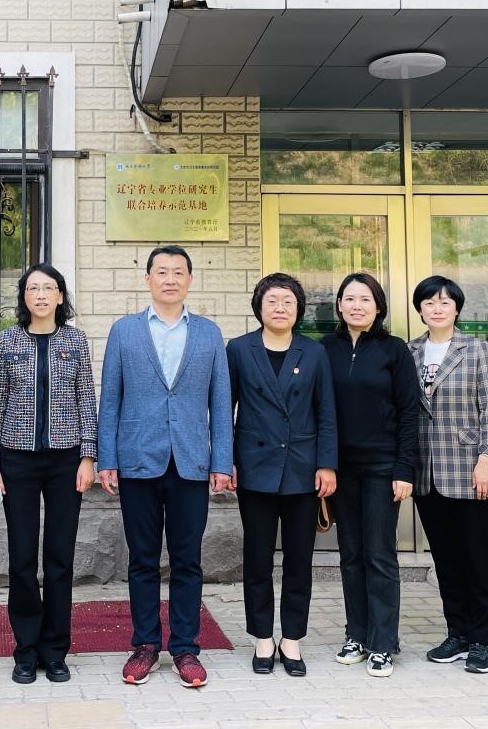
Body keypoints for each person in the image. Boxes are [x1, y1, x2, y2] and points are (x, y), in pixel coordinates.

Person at [98, 245, 233, 689]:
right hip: (137, 459)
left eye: (178, 272)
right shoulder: (124, 331)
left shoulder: (209, 333)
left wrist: (222, 460)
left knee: (187, 560)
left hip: (191, 461)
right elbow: (110, 399)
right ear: (148, 279)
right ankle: (145, 645)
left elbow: (220, 402)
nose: (170, 279)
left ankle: (186, 648)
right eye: (161, 271)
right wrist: (107, 458)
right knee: (142, 559)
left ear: (190, 280)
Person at [0, 264, 97, 685]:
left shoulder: (75, 341)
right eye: (34, 288)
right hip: (18, 461)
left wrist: (88, 456)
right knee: (23, 559)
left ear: (61, 296)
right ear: (24, 296)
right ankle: (26, 650)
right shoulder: (6, 341)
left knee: (60, 559)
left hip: (66, 462)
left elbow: (86, 399)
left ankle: (56, 650)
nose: (42, 294)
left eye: (49, 288)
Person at [227, 272, 337, 678]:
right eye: (272, 300)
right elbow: (224, 407)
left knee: (299, 560)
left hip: (303, 469)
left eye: (287, 301)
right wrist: (225, 460)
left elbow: (326, 411)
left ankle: (292, 639)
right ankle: (262, 637)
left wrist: (327, 464)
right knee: (257, 558)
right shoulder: (239, 349)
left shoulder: (314, 352)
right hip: (254, 468)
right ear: (259, 307)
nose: (279, 308)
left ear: (298, 309)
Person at [321, 273, 419, 678]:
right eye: (350, 298)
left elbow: (410, 412)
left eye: (366, 299)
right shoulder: (324, 349)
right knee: (350, 554)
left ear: (378, 307)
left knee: (379, 554)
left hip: (382, 467)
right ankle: (356, 635)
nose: (357, 305)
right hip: (341, 469)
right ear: (339, 306)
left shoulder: (394, 350)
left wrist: (404, 468)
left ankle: (383, 642)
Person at [408, 275, 488, 674]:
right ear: (420, 309)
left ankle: (481, 640)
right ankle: (457, 634)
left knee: (478, 560)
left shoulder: (476, 349)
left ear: (457, 309)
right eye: (429, 302)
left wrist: (487, 459)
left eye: (445, 302)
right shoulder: (410, 351)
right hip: (427, 473)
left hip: (471, 470)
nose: (437, 308)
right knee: (446, 561)